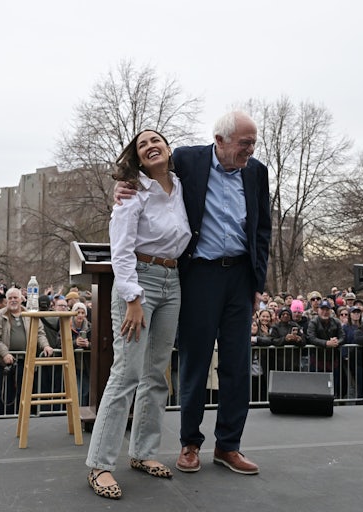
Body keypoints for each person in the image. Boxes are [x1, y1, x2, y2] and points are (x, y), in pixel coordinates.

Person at [115, 111, 271, 478]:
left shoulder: (256, 171)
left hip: (240, 279)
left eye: (253, 143)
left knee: (236, 364)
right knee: (195, 362)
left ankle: (228, 446)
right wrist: (123, 186)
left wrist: (257, 283)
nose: (250, 149)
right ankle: (189, 443)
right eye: (244, 143)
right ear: (220, 141)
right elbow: (148, 173)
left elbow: (262, 228)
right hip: (199, 274)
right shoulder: (187, 159)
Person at [87, 128, 190, 500]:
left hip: (173, 280)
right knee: (126, 372)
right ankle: (99, 464)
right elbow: (122, 246)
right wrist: (131, 297)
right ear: (137, 157)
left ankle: (143, 452)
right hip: (140, 282)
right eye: (142, 144)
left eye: (155, 140)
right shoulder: (132, 193)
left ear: (167, 148)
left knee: (156, 373)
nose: (150, 145)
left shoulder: (181, 186)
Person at [0, 287, 53, 415]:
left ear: (21, 299)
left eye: (15, 298)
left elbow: (40, 333)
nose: (13, 300)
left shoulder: (30, 314)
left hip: (26, 361)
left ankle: (24, 416)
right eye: (10, 298)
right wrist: (5, 353)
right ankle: (5, 418)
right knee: (6, 394)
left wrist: (46, 345)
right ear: (6, 300)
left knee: (25, 391)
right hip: (5, 362)